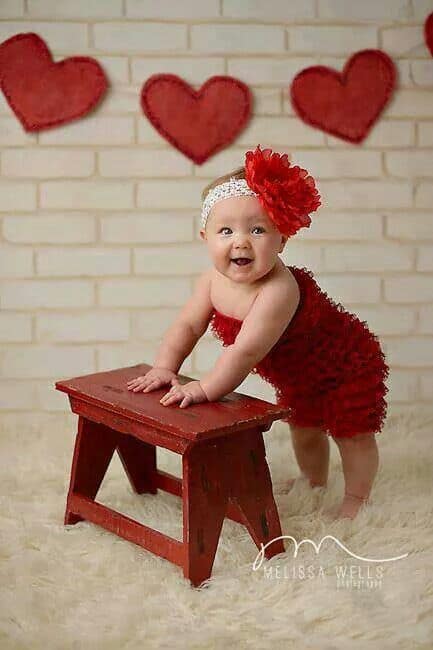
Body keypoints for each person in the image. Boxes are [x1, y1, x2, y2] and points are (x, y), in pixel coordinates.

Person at [127, 145, 389, 520]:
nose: (241, 241)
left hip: (346, 365)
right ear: (205, 237)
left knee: (352, 433)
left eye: (257, 229)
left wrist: (204, 388)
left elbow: (245, 351)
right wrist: (165, 367)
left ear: (282, 239)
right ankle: (313, 483)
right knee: (305, 427)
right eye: (226, 230)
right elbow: (187, 325)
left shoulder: (277, 290)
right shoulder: (211, 282)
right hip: (300, 373)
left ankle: (357, 500)